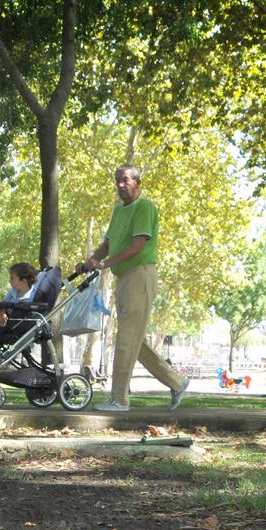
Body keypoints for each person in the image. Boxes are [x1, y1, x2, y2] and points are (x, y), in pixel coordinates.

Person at [77, 165, 189, 411]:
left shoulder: (144, 207)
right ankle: (177, 382)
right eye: (117, 180)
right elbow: (108, 243)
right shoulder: (119, 210)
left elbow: (137, 245)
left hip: (140, 275)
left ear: (138, 182)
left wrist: (104, 264)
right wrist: (89, 262)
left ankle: (119, 400)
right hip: (124, 278)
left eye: (125, 180)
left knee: (126, 339)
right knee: (133, 339)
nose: (120, 185)